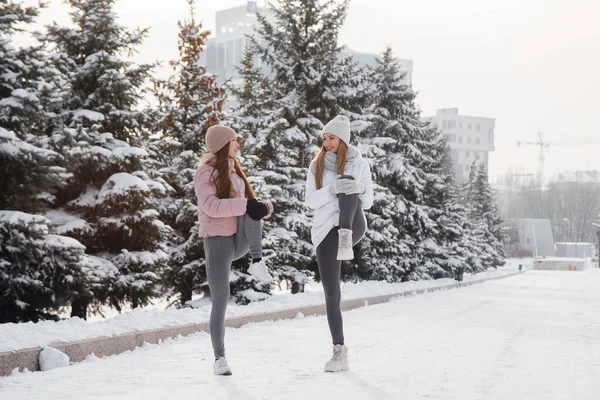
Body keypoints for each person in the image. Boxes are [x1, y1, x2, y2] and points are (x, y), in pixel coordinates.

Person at [194, 124, 274, 375]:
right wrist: (247, 204)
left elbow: (249, 204)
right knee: (221, 299)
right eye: (234, 141)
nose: (238, 145)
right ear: (222, 144)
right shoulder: (204, 173)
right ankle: (219, 358)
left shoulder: (236, 173)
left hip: (239, 239)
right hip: (217, 241)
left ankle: (257, 261)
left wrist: (264, 207)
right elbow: (212, 207)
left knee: (252, 209)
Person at [305, 115, 374, 372]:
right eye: (324, 138)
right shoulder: (317, 165)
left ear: (342, 139)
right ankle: (339, 352)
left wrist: (356, 188)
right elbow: (310, 200)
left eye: (331, 138)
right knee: (332, 294)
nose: (327, 143)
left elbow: (368, 203)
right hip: (325, 232)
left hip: (353, 225)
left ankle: (346, 238)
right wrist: (332, 188)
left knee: (350, 186)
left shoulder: (360, 164)